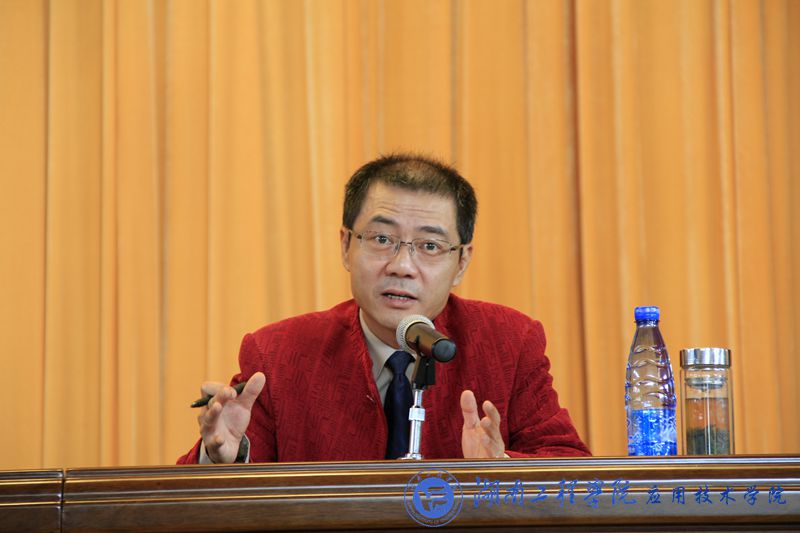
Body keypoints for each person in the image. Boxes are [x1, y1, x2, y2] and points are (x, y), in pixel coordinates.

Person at [178, 154, 590, 464]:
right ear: (346, 246)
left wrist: (502, 468)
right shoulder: (278, 354)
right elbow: (206, 500)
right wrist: (221, 459)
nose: (402, 266)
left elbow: (571, 472)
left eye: (430, 246)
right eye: (381, 239)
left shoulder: (509, 343)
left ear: (462, 261)